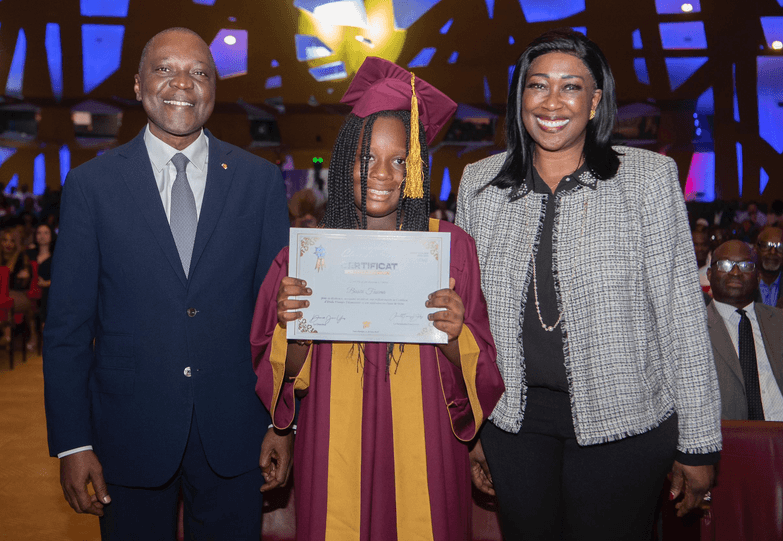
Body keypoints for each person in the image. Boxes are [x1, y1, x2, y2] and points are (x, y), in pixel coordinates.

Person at [455, 29, 721, 540]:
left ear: (596, 100)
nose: (552, 102)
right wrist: (474, 430)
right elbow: (473, 321)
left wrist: (700, 443)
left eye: (571, 87)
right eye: (538, 85)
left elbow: (681, 313)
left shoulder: (647, 177)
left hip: (625, 423)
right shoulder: (480, 184)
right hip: (513, 423)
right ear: (520, 97)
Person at [43, 27, 291, 539]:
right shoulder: (93, 186)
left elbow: (277, 321)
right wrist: (72, 443)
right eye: (165, 69)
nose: (183, 83)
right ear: (137, 85)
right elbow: (68, 327)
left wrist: (280, 422)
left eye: (199, 72)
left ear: (214, 88)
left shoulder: (258, 182)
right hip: (127, 432)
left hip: (235, 431)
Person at [251, 57, 504, 541]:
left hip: (427, 442)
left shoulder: (451, 249)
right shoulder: (306, 255)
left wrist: (456, 334)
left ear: (416, 169)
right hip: (333, 441)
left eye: (399, 160)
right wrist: (293, 323)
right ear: (346, 161)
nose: (382, 174)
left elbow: (482, 364)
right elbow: (281, 373)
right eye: (366, 157)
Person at [706, 241, 783, 422]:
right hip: (729, 442)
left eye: (746, 266)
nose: (736, 272)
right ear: (709, 274)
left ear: (758, 277)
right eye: (725, 265)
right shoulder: (692, 331)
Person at [0, 227, 36, 349]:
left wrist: (26, 275)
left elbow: (24, 282)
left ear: (16, 243)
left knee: (6, 298)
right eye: (5, 240)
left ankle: (7, 336)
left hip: (21, 296)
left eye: (12, 241)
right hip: (4, 297)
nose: (8, 244)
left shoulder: (22, 257)